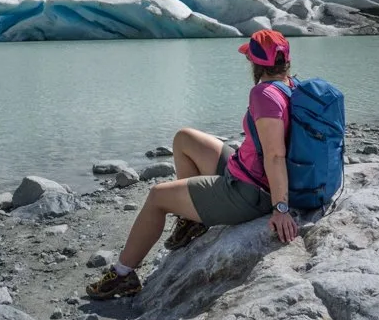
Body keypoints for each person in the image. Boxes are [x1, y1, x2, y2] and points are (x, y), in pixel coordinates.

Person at [87, 29, 300, 301]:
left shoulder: (264, 94)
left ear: (256, 63)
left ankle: (123, 275)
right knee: (184, 138)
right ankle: (191, 220)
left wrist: (280, 208)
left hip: (249, 191)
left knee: (156, 197)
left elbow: (274, 155)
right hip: (247, 171)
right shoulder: (290, 86)